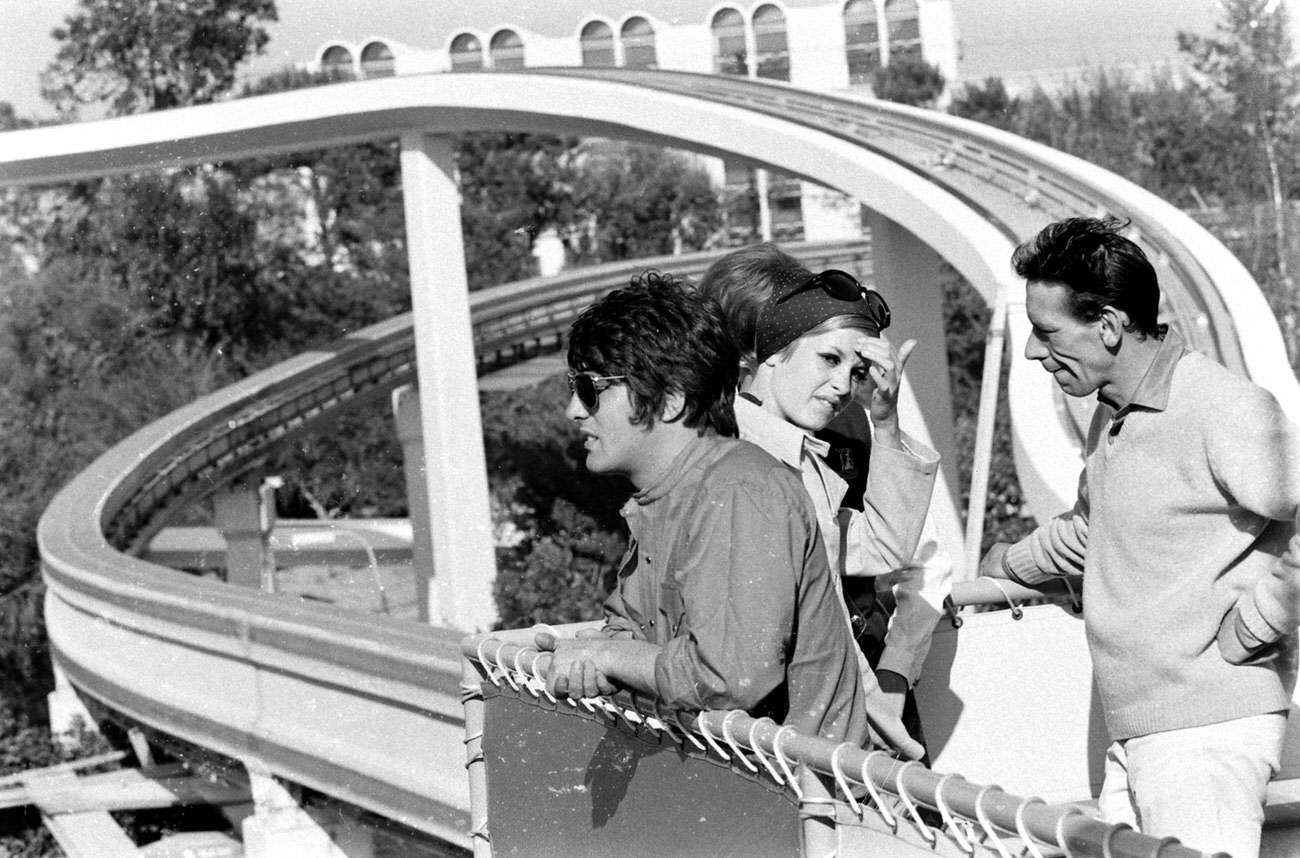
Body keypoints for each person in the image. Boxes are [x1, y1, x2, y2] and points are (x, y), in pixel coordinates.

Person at [980, 216, 1300, 858]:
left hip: (1205, 731)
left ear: (1107, 324)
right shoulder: (1115, 418)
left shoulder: (1220, 406)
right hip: (1139, 731)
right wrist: (1005, 564)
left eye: (1047, 334)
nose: (1034, 353)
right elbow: (1096, 531)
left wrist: (1260, 622)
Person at [535, 272, 868, 747]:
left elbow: (730, 675)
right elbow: (632, 627)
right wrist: (595, 653)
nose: (573, 410)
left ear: (669, 401)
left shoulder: (739, 491)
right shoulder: (663, 497)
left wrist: (607, 657)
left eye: (590, 389)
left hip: (819, 804)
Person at [697, 244, 949, 759]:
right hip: (822, 725)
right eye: (827, 357)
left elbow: (883, 549)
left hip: (845, 713)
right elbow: (818, 622)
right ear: (762, 354)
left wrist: (884, 423)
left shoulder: (816, 443)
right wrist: (888, 714)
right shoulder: (744, 462)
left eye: (849, 366)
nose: (839, 385)